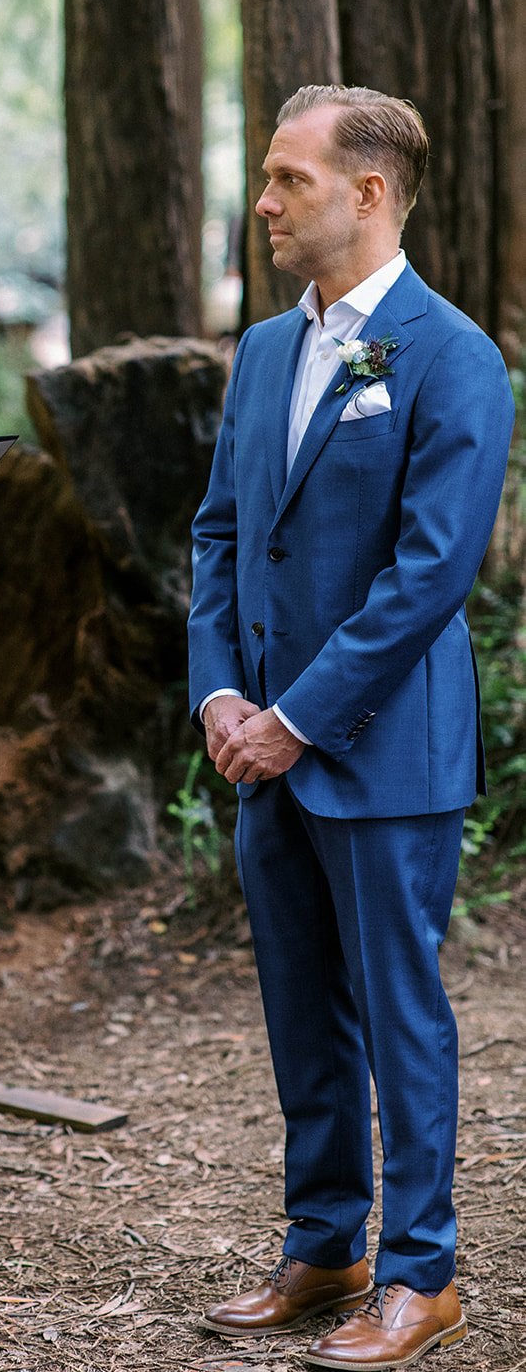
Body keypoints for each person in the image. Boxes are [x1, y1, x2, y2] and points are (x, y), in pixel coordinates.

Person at [188, 85, 515, 1370]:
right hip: (255, 746)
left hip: (380, 752)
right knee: (298, 1010)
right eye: (266, 179)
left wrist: (296, 720)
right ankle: (323, 1242)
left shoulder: (451, 355)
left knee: (396, 1013)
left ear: (366, 194)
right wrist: (220, 696)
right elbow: (220, 532)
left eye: (287, 180)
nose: (262, 203)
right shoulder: (265, 351)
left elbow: (430, 578)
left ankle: (420, 1273)